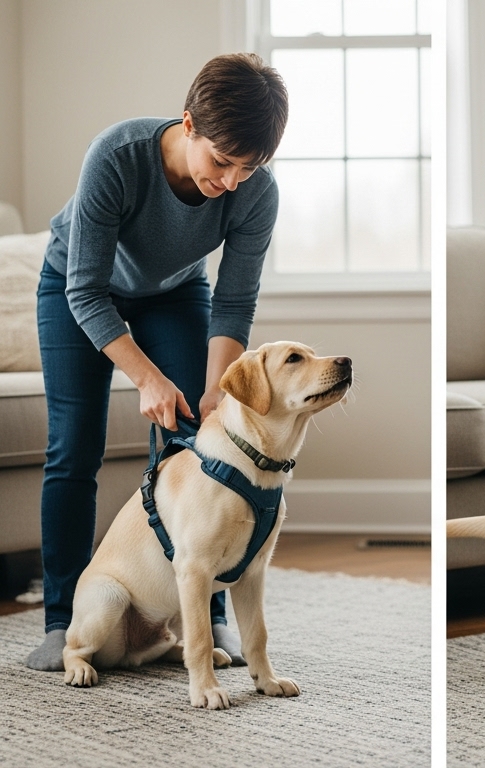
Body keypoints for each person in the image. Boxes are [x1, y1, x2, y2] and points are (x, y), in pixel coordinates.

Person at [26, 53, 287, 671]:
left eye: (247, 169)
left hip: (174, 292)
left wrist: (217, 391)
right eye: (221, 162)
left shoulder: (256, 194)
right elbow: (85, 290)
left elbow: (234, 300)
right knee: (73, 445)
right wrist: (145, 376)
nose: (229, 182)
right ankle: (62, 619)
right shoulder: (117, 156)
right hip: (77, 289)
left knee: (196, 439)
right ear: (189, 123)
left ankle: (208, 616)